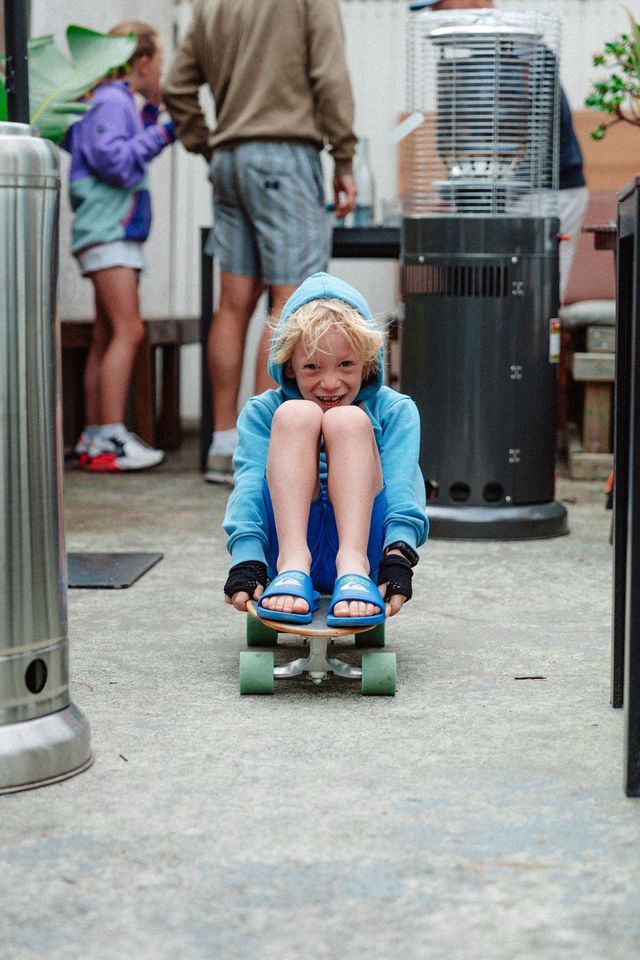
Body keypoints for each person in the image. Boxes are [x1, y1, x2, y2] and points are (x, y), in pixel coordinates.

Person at [163, 0, 358, 484]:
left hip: (228, 160)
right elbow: (329, 75)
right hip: (285, 156)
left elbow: (175, 87)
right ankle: (263, 451)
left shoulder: (211, 5)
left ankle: (223, 444)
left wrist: (205, 143)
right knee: (289, 303)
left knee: (233, 304)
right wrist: (346, 156)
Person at [222, 273, 428, 627]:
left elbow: (402, 488)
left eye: (346, 365)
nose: (330, 383)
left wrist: (398, 554)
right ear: (289, 366)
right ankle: (293, 565)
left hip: (364, 550)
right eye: (312, 366)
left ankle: (352, 567)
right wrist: (247, 559)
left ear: (366, 361)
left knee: (347, 421)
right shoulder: (262, 412)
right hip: (286, 549)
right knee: (295, 414)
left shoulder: (395, 411)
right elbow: (249, 487)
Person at [409, 0, 587, 299]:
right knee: (496, 296)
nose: (435, 17)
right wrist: (454, 195)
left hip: (549, 194)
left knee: (534, 299)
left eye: (440, 8)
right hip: (507, 196)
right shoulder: (480, 55)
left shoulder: (525, 50)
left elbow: (538, 147)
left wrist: (481, 199)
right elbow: (473, 142)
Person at [63, 21, 176, 471]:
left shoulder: (103, 100)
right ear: (142, 63)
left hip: (102, 231)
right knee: (130, 331)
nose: (161, 75)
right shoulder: (112, 98)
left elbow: (115, 147)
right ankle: (110, 438)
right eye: (160, 66)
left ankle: (94, 437)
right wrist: (165, 133)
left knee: (106, 335)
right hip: (110, 231)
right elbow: (115, 161)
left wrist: (148, 117)